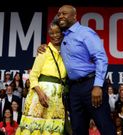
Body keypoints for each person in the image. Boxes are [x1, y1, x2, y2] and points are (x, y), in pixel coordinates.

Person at [38, 5, 115, 135]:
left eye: (64, 13)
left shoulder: (85, 32)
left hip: (91, 85)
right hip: (73, 90)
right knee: (78, 129)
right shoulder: (63, 37)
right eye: (59, 14)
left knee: (105, 126)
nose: (60, 16)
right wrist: (43, 47)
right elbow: (54, 49)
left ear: (74, 16)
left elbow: (101, 58)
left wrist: (97, 86)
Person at [15, 20, 67, 135]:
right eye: (52, 33)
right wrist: (40, 93)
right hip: (40, 97)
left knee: (53, 130)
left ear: (63, 33)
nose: (55, 36)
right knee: (35, 130)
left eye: (57, 32)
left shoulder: (67, 52)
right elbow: (33, 76)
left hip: (57, 99)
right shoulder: (44, 51)